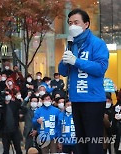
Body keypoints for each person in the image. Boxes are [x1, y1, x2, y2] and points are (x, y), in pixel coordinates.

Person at [58, 8, 109, 154]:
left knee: (93, 141)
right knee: (80, 141)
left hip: (92, 99)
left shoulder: (97, 43)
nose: (72, 26)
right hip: (76, 99)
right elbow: (63, 71)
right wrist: (65, 61)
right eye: (70, 23)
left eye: (76, 22)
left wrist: (76, 61)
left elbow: (100, 68)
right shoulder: (71, 44)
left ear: (86, 24)